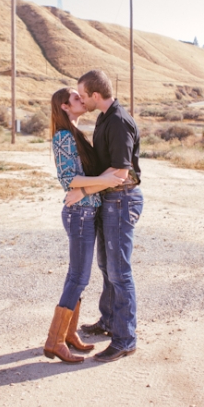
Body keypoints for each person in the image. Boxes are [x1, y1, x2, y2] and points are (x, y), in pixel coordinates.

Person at [66, 70, 143, 363]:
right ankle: (109, 322)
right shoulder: (105, 117)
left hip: (122, 199)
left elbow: (120, 173)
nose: (81, 100)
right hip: (110, 199)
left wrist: (84, 190)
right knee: (106, 265)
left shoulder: (119, 122)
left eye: (83, 95)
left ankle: (125, 339)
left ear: (95, 96)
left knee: (119, 271)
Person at [44, 87, 125, 363]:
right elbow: (69, 180)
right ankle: (54, 340)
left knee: (78, 276)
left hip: (86, 212)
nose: (82, 99)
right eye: (76, 98)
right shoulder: (63, 137)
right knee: (78, 277)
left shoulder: (75, 134)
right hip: (79, 214)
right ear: (65, 107)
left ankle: (67, 334)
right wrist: (107, 181)